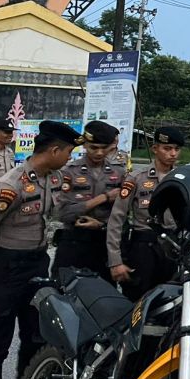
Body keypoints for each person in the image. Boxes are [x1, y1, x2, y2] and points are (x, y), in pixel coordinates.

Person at [0, 121, 77, 379]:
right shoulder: (11, 185)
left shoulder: (53, 178)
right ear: (54, 150)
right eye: (68, 152)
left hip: (36, 265)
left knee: (36, 339)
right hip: (3, 269)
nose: (70, 158)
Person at [106, 126, 184, 300]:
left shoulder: (183, 180)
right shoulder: (137, 178)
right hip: (143, 247)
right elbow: (116, 220)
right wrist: (115, 260)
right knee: (137, 300)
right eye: (167, 148)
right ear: (155, 149)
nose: (173, 154)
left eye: (177, 149)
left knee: (170, 300)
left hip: (172, 247)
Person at [54, 120, 122, 281]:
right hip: (73, 241)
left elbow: (123, 215)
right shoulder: (69, 172)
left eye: (104, 148)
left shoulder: (119, 172)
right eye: (94, 148)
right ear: (84, 145)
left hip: (103, 242)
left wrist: (101, 225)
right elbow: (62, 213)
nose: (99, 153)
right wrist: (103, 198)